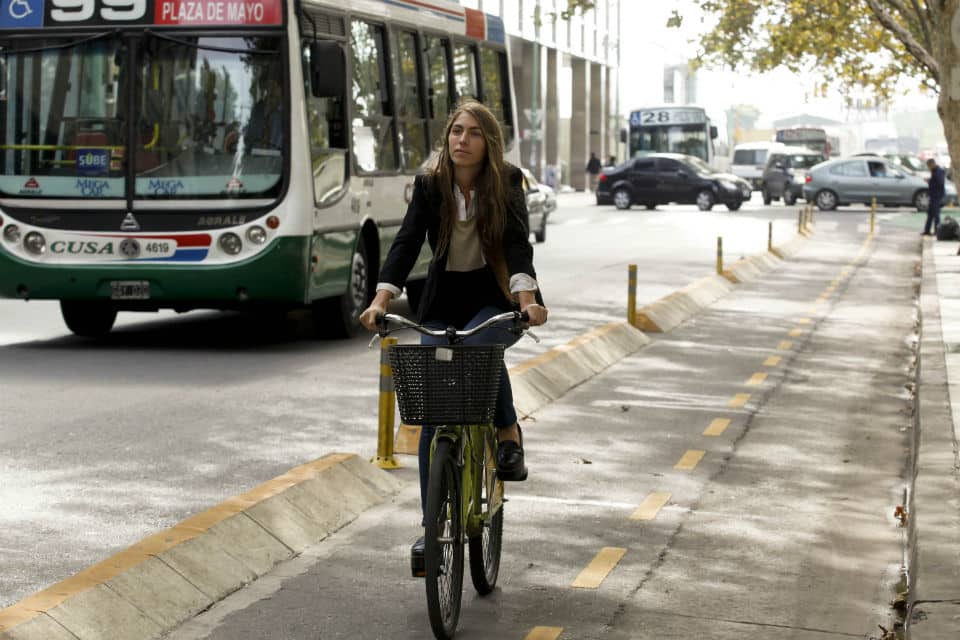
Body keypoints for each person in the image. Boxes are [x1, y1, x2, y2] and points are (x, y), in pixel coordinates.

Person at [359, 100, 548, 573]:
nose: (462, 140)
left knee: (480, 347)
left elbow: (516, 245)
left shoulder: (506, 181)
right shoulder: (430, 184)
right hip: (443, 301)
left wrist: (527, 302)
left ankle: (507, 432)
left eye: (473, 133)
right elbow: (406, 242)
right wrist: (381, 299)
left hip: (494, 297)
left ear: (489, 142)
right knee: (435, 405)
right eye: (456, 131)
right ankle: (430, 527)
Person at [924, 158, 946, 236]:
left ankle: (937, 231)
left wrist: (930, 181)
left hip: (937, 195)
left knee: (936, 214)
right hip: (933, 195)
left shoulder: (939, 171)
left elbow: (940, 183)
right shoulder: (935, 171)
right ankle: (927, 230)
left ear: (932, 164)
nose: (929, 168)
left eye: (929, 166)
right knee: (930, 214)